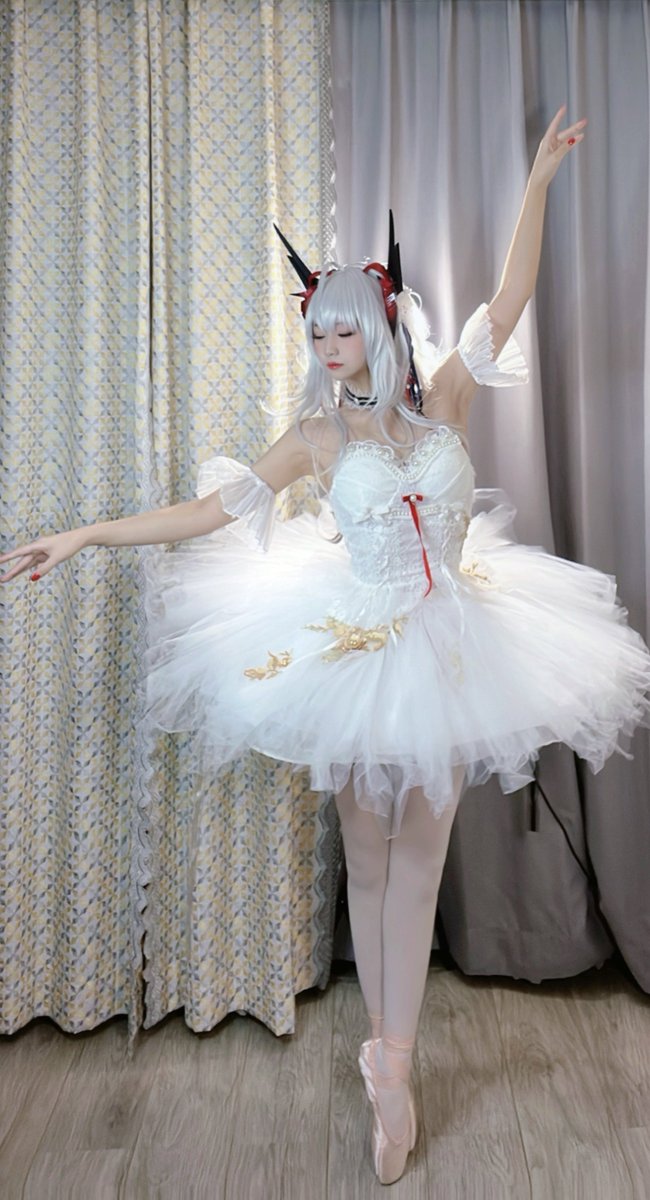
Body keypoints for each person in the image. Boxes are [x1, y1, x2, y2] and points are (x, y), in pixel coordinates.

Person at [2, 105, 649, 1185]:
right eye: (315, 334)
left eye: (340, 331)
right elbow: (208, 514)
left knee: (421, 858)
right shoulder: (315, 436)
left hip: (453, 642)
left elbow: (510, 298)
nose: (326, 349)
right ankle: (383, 1060)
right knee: (369, 853)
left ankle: (393, 1064)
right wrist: (87, 534)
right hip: (352, 647)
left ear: (380, 327)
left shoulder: (444, 399)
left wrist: (537, 183)